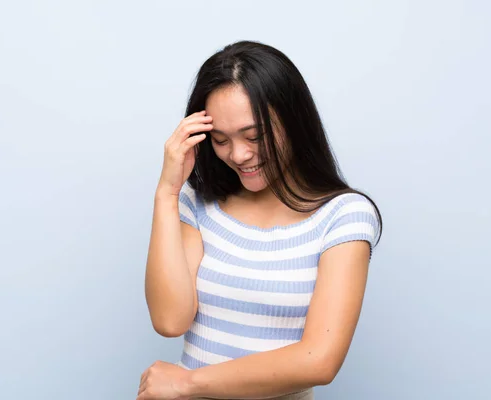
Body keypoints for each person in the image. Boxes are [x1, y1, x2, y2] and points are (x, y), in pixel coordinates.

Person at [138, 40, 383, 400]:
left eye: (256, 136)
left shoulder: (343, 217)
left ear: (294, 121)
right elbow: (170, 320)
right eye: (221, 140)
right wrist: (167, 193)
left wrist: (186, 383)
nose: (239, 155)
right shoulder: (200, 203)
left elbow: (319, 360)